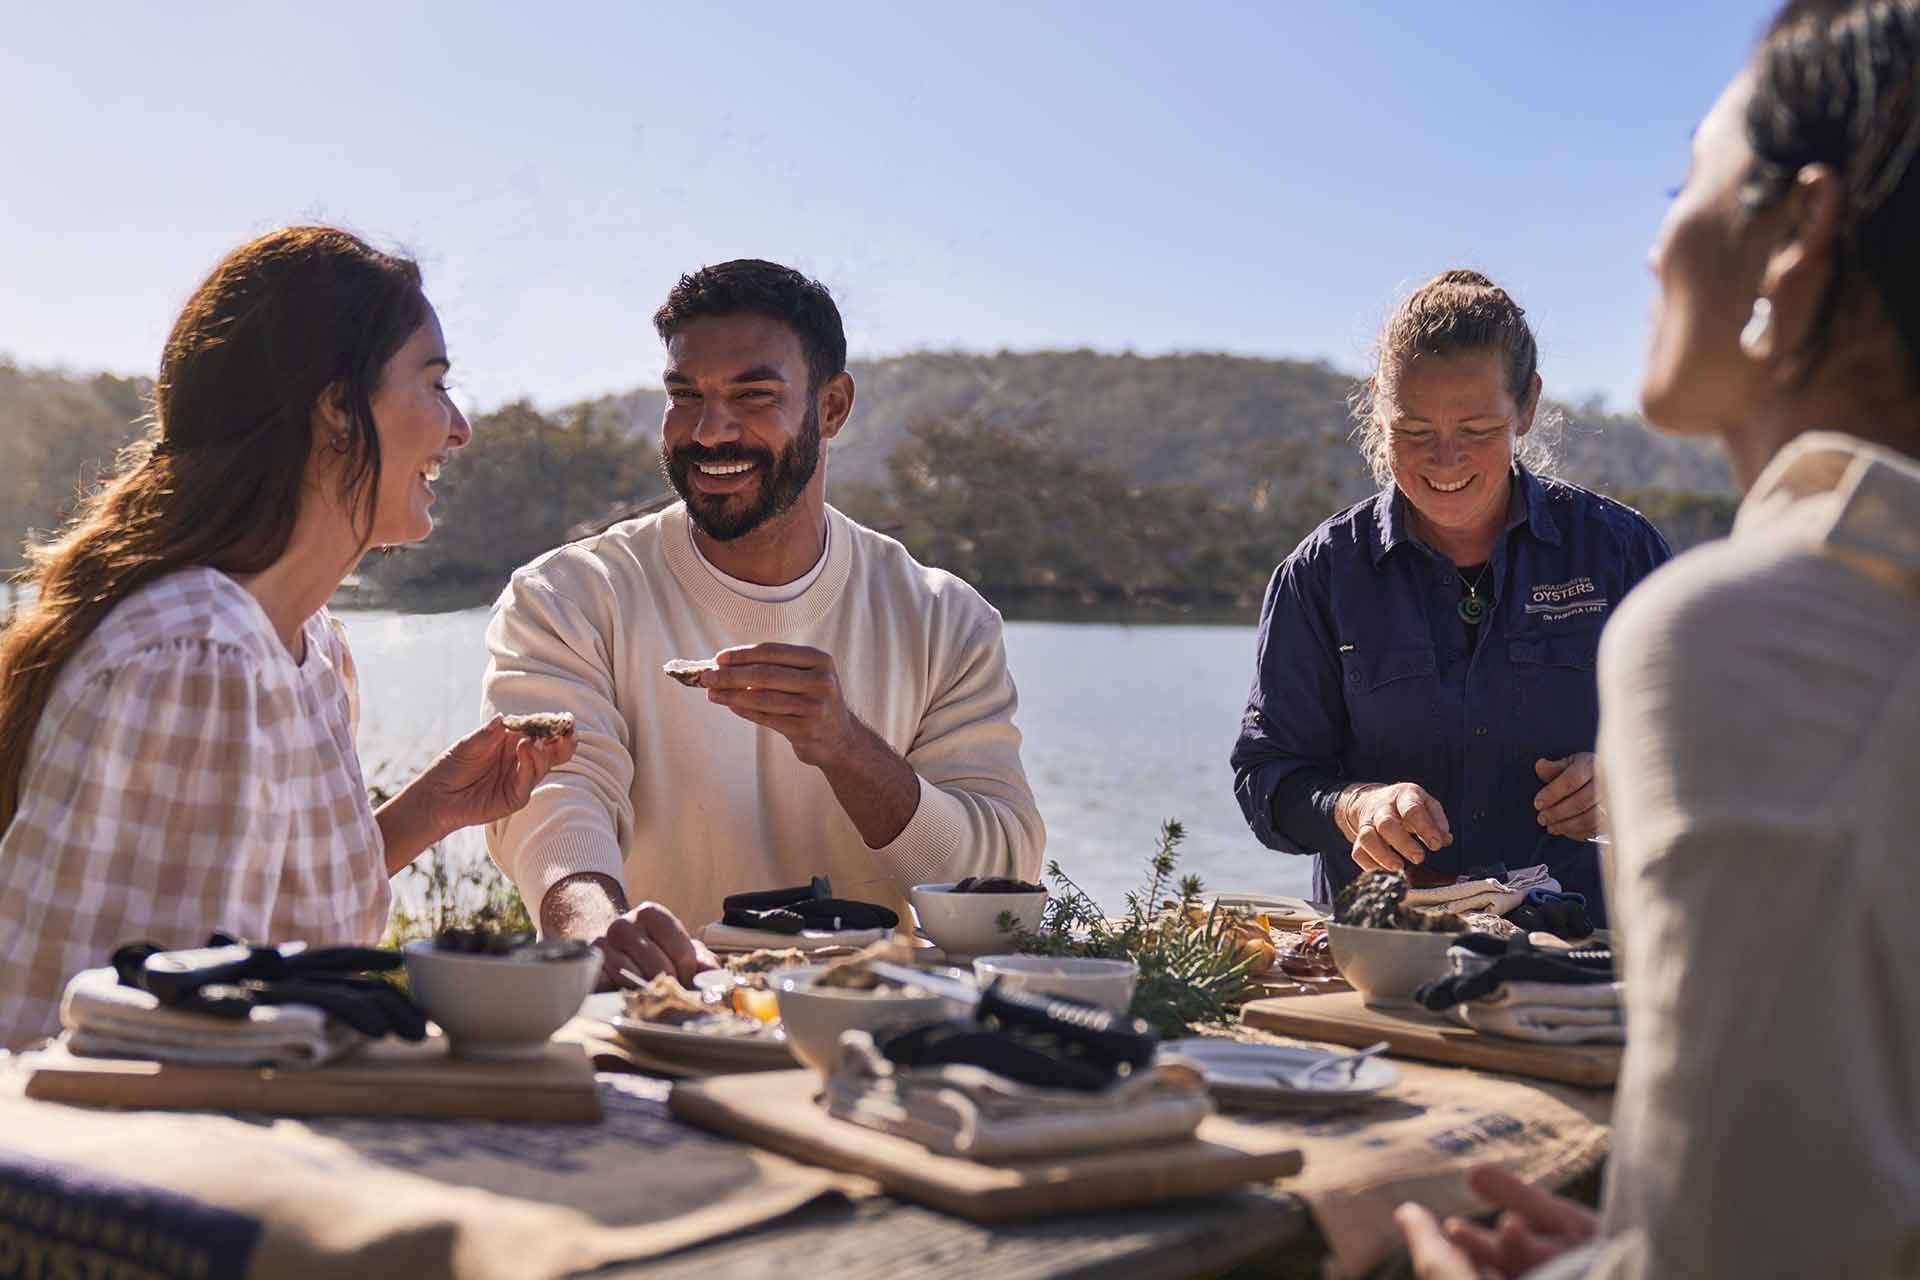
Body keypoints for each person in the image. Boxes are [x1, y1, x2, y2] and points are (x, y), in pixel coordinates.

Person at [1395, 0, 1920, 1274]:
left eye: (1693, 180)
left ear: (1799, 234)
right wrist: (1634, 1238)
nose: (1655, 244)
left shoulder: (1750, 631)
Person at [0, 227, 574, 1051]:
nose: (459, 429)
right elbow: (173, 1034)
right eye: (435, 384)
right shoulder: (201, 657)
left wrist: (430, 811)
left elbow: (253, 943)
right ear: (337, 407)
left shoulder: (306, 648)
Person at [482, 259, 1045, 985]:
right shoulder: (568, 595)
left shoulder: (944, 619)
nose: (711, 432)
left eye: (753, 395)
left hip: (877, 1023)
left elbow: (997, 878)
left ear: (833, 407)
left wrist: (845, 747)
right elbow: (556, 799)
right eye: (686, 396)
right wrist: (598, 935)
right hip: (655, 1012)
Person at [1231, 271, 1671, 924]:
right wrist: (1353, 808)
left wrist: (1631, 783)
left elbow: (1712, 755)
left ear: (1526, 406)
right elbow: (1267, 781)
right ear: (1380, 406)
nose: (1444, 460)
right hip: (1386, 957)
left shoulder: (1622, 554)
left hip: (1588, 956)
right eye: (1413, 431)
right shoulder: (1320, 574)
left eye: (1475, 429)